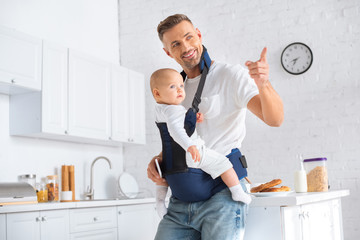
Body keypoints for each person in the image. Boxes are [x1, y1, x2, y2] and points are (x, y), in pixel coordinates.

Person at [147, 14, 284, 239]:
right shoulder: (174, 90)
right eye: (176, 44)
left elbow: (275, 119)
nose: (186, 47)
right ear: (168, 52)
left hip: (221, 196)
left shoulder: (230, 76)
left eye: (189, 37)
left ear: (199, 35)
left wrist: (264, 84)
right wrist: (159, 159)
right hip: (180, 201)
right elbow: (180, 135)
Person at [150, 68, 252, 218]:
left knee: (162, 178)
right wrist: (190, 146)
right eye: (172, 86)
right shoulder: (174, 110)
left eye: (181, 86)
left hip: (170, 161)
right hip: (191, 154)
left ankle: (159, 203)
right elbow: (176, 131)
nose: (179, 90)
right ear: (157, 93)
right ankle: (237, 192)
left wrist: (192, 119)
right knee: (224, 164)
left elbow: (177, 125)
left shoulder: (160, 110)